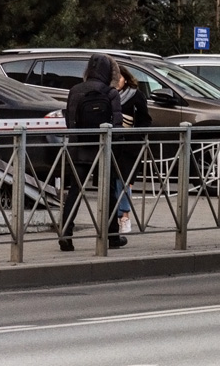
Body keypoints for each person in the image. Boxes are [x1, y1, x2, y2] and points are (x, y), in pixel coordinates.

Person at [59, 53, 127, 251]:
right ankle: (112, 236)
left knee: (74, 192)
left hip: (77, 148)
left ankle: (66, 234)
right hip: (103, 150)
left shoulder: (75, 90)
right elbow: (117, 124)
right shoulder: (110, 92)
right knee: (108, 192)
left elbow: (69, 121)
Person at [114, 67, 152, 234]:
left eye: (119, 77)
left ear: (126, 78)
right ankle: (114, 217)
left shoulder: (135, 95)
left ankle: (124, 216)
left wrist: (136, 133)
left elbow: (145, 119)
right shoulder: (108, 94)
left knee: (124, 180)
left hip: (130, 144)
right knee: (113, 180)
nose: (116, 81)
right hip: (113, 143)